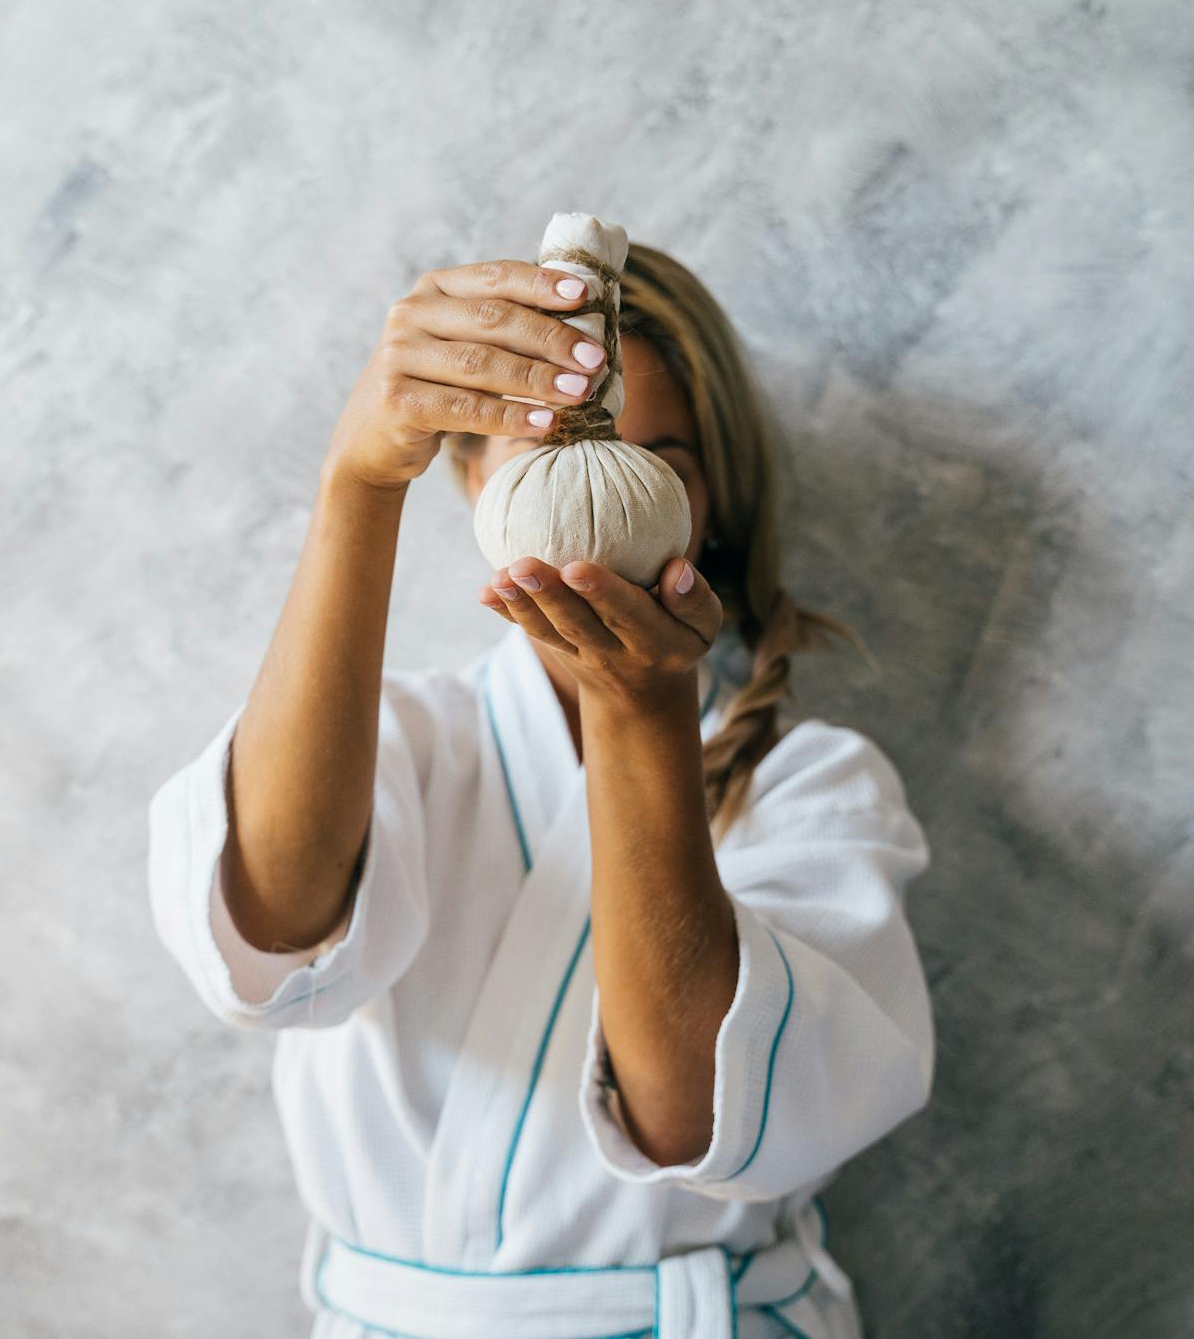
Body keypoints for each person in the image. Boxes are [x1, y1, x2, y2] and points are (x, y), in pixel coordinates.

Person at [147, 239, 936, 1339]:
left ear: (703, 507)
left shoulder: (811, 790)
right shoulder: (404, 744)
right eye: (546, 454)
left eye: (654, 463)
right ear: (470, 479)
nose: (597, 509)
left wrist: (642, 716)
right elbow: (269, 927)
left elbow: (687, 1117)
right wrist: (358, 481)